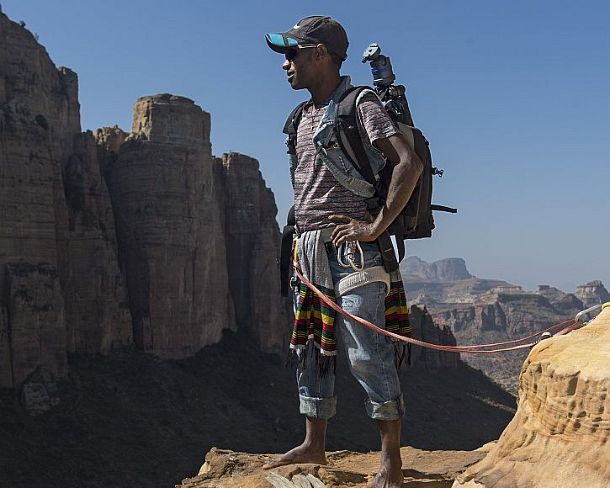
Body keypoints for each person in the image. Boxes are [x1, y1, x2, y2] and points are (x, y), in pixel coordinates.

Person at [264, 16, 423, 488]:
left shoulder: (361, 104)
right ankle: (314, 443)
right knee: (311, 346)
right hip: (308, 248)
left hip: (353, 251)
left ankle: (390, 461)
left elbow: (407, 164)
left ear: (319, 55)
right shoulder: (301, 117)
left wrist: (375, 227)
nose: (285, 65)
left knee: (365, 353)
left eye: (292, 53)